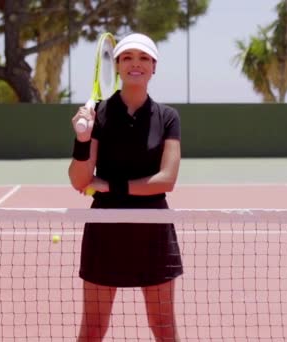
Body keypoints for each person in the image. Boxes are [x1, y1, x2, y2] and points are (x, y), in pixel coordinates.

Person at [68, 33, 183, 342]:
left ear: (154, 67)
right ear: (117, 65)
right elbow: (80, 180)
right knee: (92, 329)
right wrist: (82, 140)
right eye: (128, 57)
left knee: (164, 327)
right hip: (106, 229)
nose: (136, 64)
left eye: (144, 58)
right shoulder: (98, 115)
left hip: (154, 230)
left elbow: (166, 181)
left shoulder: (168, 117)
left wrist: (109, 186)